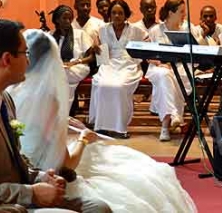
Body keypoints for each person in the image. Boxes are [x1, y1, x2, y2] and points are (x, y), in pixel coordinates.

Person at [9, 28, 197, 213]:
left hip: (26, 169)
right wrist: (83, 138)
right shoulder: (49, 101)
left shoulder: (11, 91)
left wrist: (62, 121)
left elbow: (30, 128)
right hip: (45, 177)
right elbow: (66, 165)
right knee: (138, 175)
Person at [0, 20, 110, 212]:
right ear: (7, 59)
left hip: (22, 188)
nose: (28, 61)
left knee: (99, 208)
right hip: (11, 202)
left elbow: (16, 159)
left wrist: (41, 176)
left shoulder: (7, 98)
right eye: (25, 54)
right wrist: (31, 193)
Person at [89, 0, 148, 138]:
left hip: (129, 65)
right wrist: (96, 47)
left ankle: (120, 127)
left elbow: (147, 44)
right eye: (114, 13)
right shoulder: (102, 30)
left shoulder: (136, 30)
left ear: (126, 15)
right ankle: (101, 126)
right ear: (109, 14)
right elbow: (101, 54)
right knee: (102, 84)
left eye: (120, 13)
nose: (117, 16)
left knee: (119, 87)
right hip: (108, 64)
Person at [146, 0, 203, 141]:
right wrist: (159, 63)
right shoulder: (155, 30)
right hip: (159, 67)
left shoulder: (188, 28)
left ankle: (165, 126)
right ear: (171, 13)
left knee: (171, 78)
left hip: (182, 67)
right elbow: (147, 55)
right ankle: (174, 115)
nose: (184, 15)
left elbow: (198, 50)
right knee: (164, 74)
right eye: (181, 12)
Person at [51, 5, 94, 110]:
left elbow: (91, 56)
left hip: (78, 66)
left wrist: (76, 62)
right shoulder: (50, 36)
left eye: (70, 18)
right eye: (64, 18)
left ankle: (63, 112)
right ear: (57, 20)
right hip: (58, 68)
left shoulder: (80, 34)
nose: (68, 21)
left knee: (62, 75)